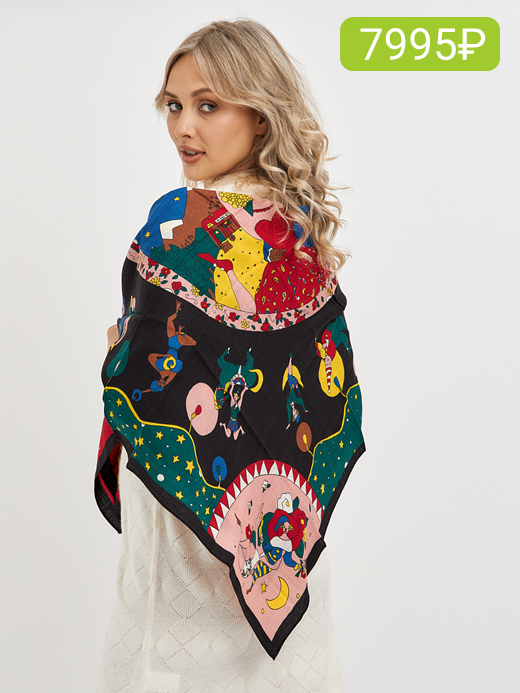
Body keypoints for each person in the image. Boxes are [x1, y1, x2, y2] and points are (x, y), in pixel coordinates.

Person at [95, 19, 364, 693]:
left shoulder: (176, 223)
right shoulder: (300, 234)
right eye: (174, 105)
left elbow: (136, 377)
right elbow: (324, 401)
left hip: (186, 528)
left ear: (260, 114)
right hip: (286, 539)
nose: (184, 128)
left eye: (208, 105)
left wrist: (118, 349)